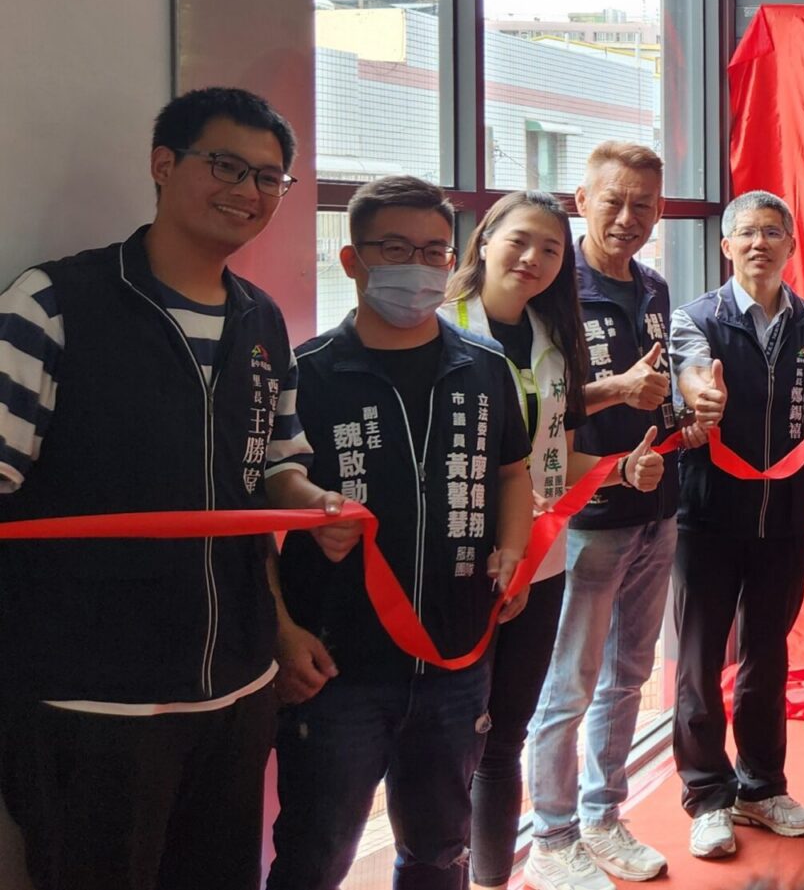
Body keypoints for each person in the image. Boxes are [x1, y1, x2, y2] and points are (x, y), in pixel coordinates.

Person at [0, 87, 343, 890]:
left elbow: (271, 471)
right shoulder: (53, 303)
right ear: (163, 164)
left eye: (268, 177)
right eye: (225, 165)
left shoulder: (262, 320)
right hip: (93, 702)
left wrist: (310, 506)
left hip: (237, 691)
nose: (247, 191)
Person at [270, 176, 636, 890]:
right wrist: (283, 621)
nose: (417, 265)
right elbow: (262, 499)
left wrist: (512, 550)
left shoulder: (484, 365)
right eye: (394, 248)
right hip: (338, 666)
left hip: (457, 660)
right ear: (351, 259)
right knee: (316, 853)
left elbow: (511, 473)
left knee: (439, 852)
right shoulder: (306, 373)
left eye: (432, 250)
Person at [442, 191, 665, 890]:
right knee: (447, 734)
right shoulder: (439, 327)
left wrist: (620, 469)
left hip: (538, 560)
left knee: (507, 729)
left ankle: (503, 869)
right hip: (451, 563)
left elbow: (555, 458)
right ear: (484, 240)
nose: (533, 258)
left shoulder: (552, 339)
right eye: (520, 241)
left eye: (550, 249)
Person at [527, 141, 686, 884]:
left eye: (643, 204)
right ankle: (552, 836)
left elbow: (658, 388)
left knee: (628, 675)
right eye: (613, 201)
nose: (628, 217)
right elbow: (533, 406)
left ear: (660, 210)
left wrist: (689, 410)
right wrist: (617, 389)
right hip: (585, 516)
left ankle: (602, 814)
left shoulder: (654, 288)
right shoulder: (553, 288)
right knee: (570, 682)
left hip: (657, 507)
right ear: (582, 201)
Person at [667, 190, 804, 861]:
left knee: (767, 655)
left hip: (786, 514)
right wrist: (701, 396)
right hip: (707, 514)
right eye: (747, 233)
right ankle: (707, 796)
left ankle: (762, 786)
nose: (759, 243)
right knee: (700, 658)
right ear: (726, 246)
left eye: (772, 232)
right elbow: (690, 375)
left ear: (791, 245)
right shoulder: (696, 318)